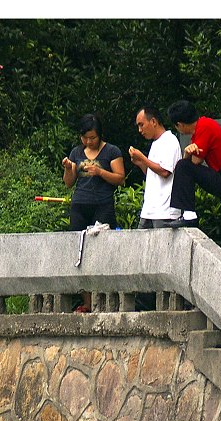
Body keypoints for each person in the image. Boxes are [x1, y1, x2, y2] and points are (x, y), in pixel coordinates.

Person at [165, 99, 221, 274]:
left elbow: (195, 161)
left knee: (183, 166)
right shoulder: (204, 127)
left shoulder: (204, 126)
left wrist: (186, 154)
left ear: (179, 124)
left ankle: (188, 214)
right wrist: (188, 153)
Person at [61, 113, 125, 311]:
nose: (89, 141)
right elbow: (68, 183)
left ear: (99, 135)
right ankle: (86, 301)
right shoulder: (76, 152)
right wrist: (68, 169)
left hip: (102, 204)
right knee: (80, 252)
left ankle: (105, 299)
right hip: (80, 204)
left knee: (102, 252)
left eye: (93, 138)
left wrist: (100, 172)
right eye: (85, 138)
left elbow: (120, 178)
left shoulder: (111, 151)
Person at [128, 107, 192, 228]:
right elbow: (153, 174)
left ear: (153, 121)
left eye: (141, 125)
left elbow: (165, 171)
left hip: (165, 211)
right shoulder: (155, 143)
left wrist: (142, 158)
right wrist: (140, 163)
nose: (140, 130)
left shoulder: (169, 140)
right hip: (149, 210)